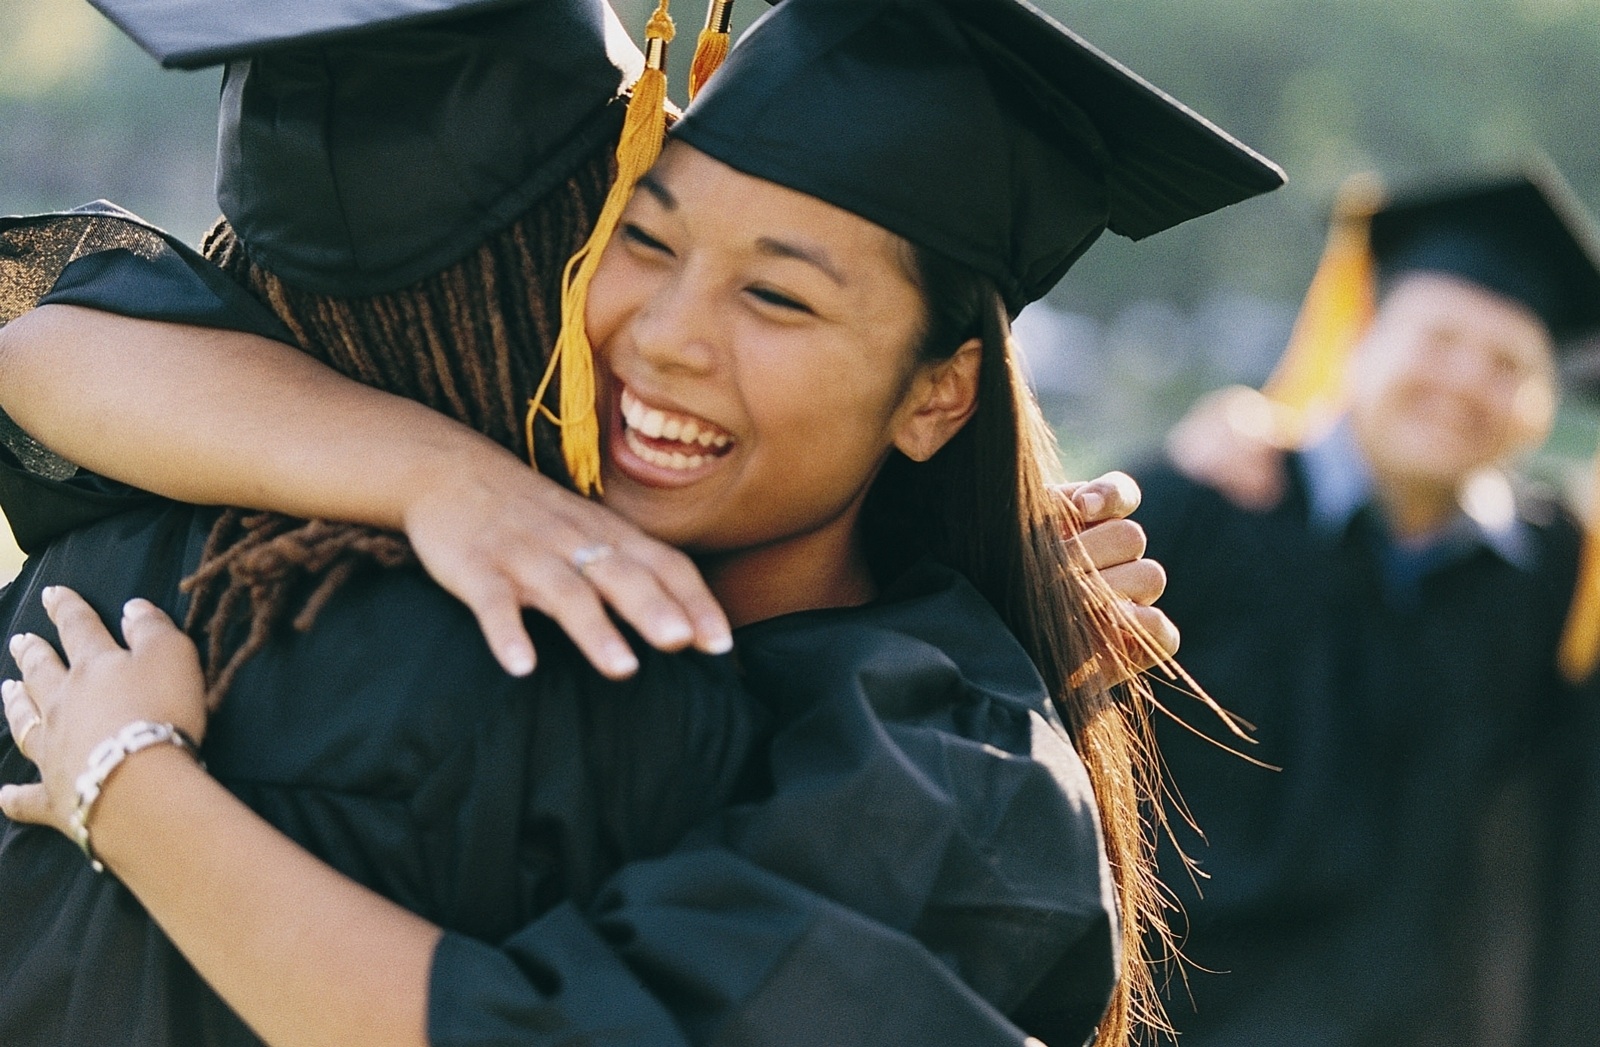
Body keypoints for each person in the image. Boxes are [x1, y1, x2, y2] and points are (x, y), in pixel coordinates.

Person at [0, 1, 1285, 1045]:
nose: (666, 338)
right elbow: (47, 349)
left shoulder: (936, 772)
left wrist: (135, 785)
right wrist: (443, 475)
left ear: (938, 391)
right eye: (645, 243)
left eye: (778, 298)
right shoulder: (482, 575)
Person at [1132, 169, 1600, 1046]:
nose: (1465, 382)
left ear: (1540, 407)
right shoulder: (1197, 508)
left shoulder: (1552, 576)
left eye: (1509, 365)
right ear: (1360, 336)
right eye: (1440, 338)